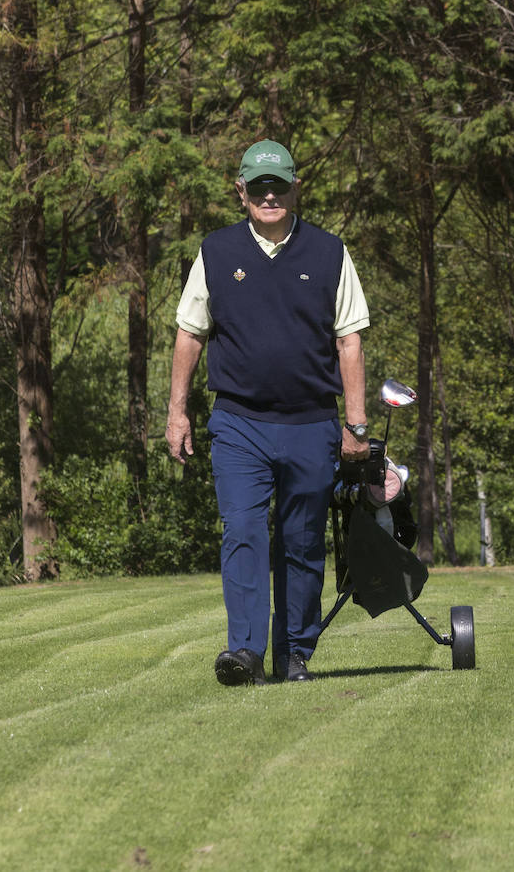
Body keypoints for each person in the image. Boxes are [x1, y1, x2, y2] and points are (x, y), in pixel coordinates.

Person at [166, 139, 371, 686]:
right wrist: (177, 411)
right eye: (259, 187)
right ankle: (246, 654)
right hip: (239, 424)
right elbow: (190, 333)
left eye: (278, 184)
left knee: (302, 542)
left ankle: (294, 654)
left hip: (311, 423)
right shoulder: (216, 251)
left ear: (295, 186)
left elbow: (348, 340)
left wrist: (356, 425)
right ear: (241, 192)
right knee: (243, 532)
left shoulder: (330, 252)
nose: (270, 195)